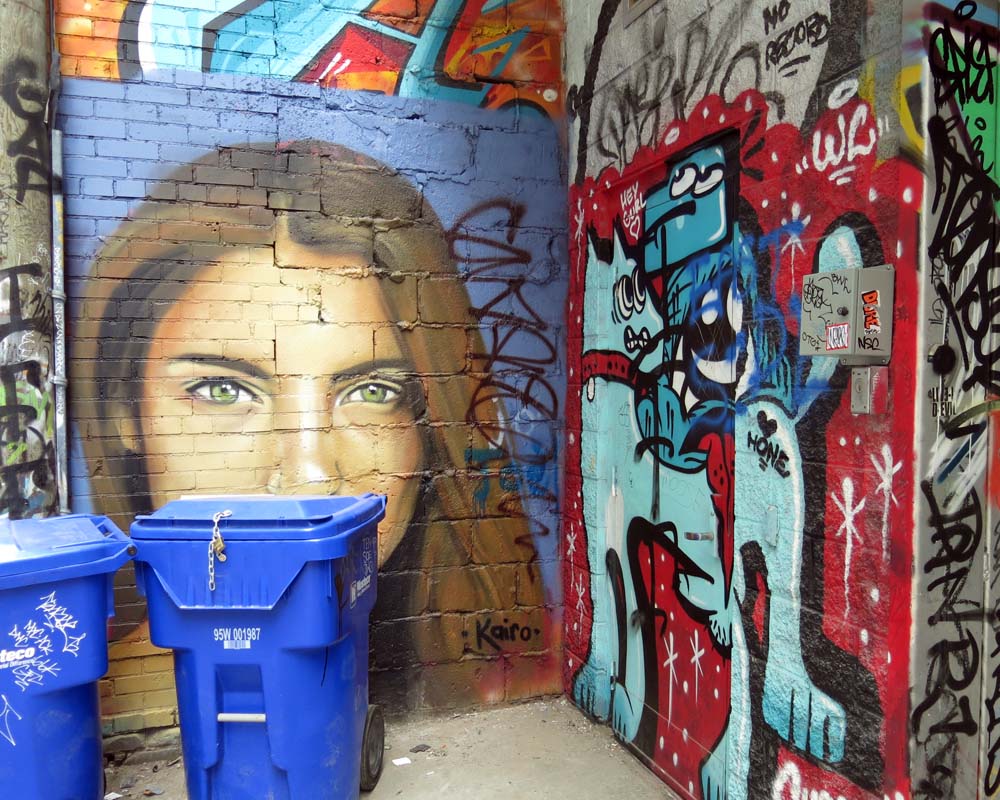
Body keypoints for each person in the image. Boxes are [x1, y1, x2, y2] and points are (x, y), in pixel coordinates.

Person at [71, 140, 559, 703]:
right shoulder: (89, 704)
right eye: (223, 390)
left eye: (373, 392)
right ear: (124, 414)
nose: (309, 476)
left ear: (432, 425)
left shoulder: (508, 677)